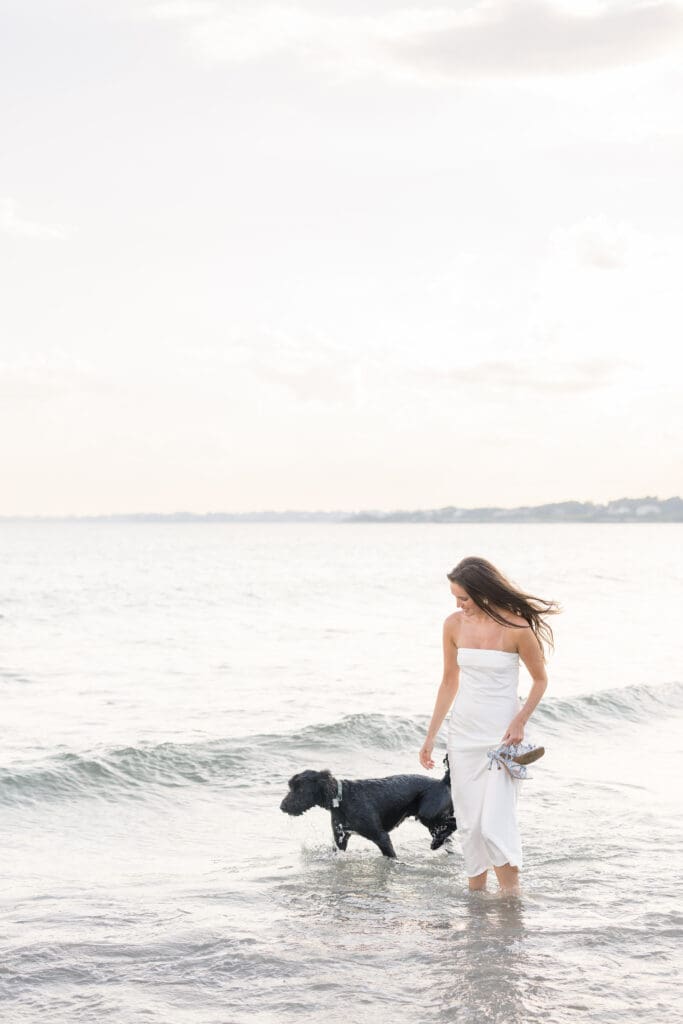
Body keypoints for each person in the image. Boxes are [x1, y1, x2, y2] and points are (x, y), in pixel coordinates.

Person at [419, 556, 560, 894]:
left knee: (494, 824)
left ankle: (512, 901)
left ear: (483, 592)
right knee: (469, 825)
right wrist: (431, 737)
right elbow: (449, 682)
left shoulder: (518, 629)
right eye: (455, 598)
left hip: (502, 739)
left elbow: (540, 681)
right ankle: (477, 903)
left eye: (464, 598)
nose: (458, 605)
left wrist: (520, 720)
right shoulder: (453, 625)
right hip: (463, 735)